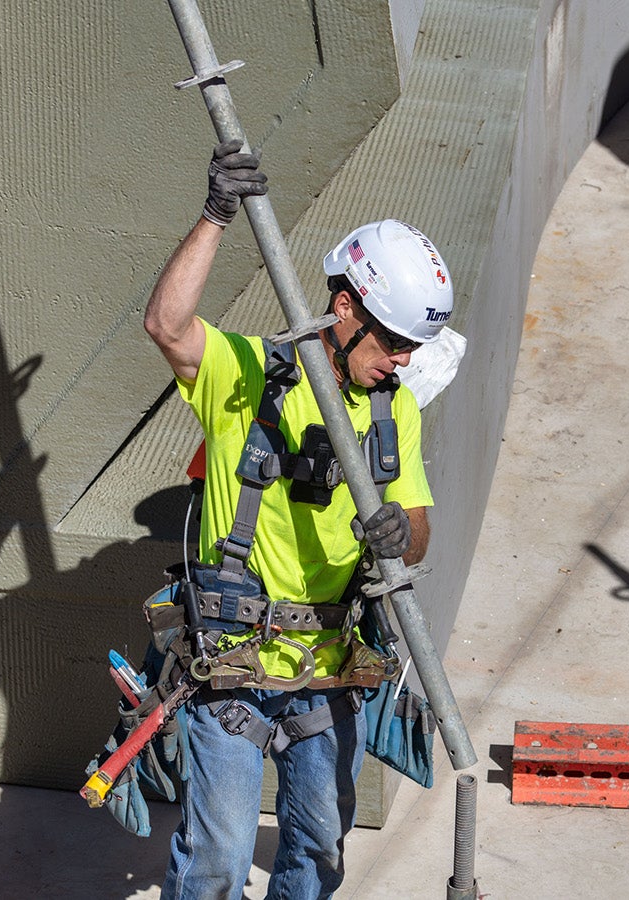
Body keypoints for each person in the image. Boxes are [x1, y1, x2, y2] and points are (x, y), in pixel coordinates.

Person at [142, 141, 455, 900]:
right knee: (216, 858)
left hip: (329, 666)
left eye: (415, 347)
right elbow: (167, 324)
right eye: (393, 342)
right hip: (235, 663)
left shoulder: (394, 413)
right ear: (345, 309)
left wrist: (397, 536)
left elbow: (417, 524)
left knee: (318, 851)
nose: (405, 361)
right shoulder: (249, 377)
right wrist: (216, 214)